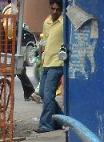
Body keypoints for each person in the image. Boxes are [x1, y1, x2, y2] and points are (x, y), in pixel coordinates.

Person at [34, 0, 65, 133]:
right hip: (46, 63)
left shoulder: (64, 23)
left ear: (61, 10)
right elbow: (44, 41)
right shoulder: (47, 22)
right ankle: (61, 119)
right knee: (43, 93)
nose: (54, 12)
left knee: (48, 95)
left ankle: (46, 125)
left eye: (57, 9)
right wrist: (41, 57)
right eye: (52, 9)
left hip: (57, 64)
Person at [2, 0, 37, 101]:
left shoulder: (7, 8)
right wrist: (13, 38)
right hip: (10, 44)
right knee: (20, 68)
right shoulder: (12, 9)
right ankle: (30, 92)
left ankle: (28, 92)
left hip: (8, 43)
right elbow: (8, 25)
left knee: (20, 68)